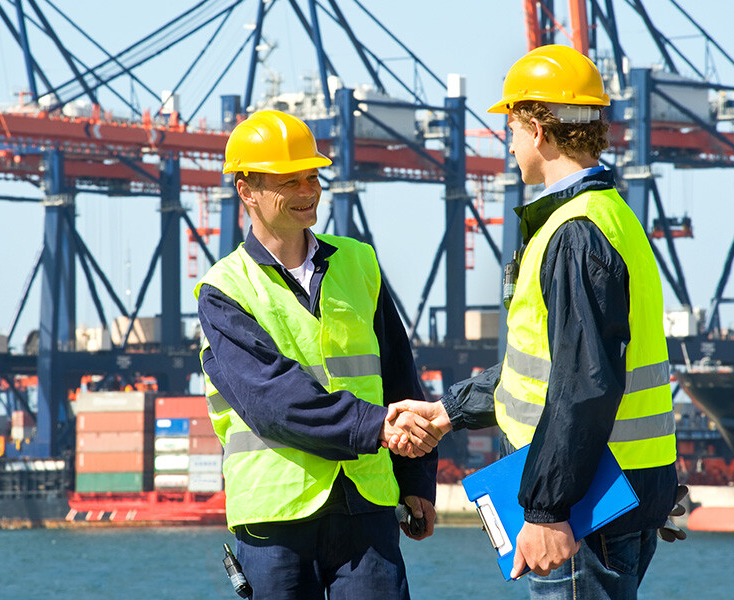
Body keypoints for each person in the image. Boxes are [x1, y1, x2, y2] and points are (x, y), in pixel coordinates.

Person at [388, 45, 679, 598]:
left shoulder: (572, 233)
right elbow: (546, 370)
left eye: (513, 129)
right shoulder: (613, 217)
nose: (512, 144)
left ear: (538, 130)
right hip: (623, 488)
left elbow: (584, 383)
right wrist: (450, 410)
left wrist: (546, 511)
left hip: (585, 508)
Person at [194, 109, 442, 600]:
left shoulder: (359, 261)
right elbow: (273, 400)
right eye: (291, 181)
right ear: (247, 191)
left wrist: (417, 478)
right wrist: (378, 428)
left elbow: (399, 376)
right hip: (276, 515)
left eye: (313, 176)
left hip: (366, 501)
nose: (308, 191)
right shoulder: (223, 290)